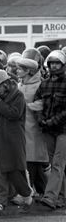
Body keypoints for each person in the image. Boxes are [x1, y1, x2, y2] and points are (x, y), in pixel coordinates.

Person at [0, 69, 33, 216]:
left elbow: (14, 114)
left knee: (15, 173)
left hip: (12, 142)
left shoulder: (18, 95)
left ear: (6, 84)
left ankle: (27, 198)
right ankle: (0, 205)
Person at [36, 50, 66, 210]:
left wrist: (51, 121)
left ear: (63, 65)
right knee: (55, 164)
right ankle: (60, 197)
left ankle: (50, 197)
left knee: (58, 164)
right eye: (51, 63)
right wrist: (41, 119)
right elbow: (37, 102)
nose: (54, 66)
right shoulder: (44, 83)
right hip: (47, 128)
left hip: (63, 129)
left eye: (57, 63)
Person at [16, 56, 49, 198]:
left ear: (28, 71)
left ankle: (37, 192)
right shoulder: (20, 84)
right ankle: (41, 192)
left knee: (33, 163)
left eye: (19, 69)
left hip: (34, 130)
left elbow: (43, 103)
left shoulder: (39, 85)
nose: (16, 71)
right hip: (23, 129)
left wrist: (25, 107)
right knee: (31, 163)